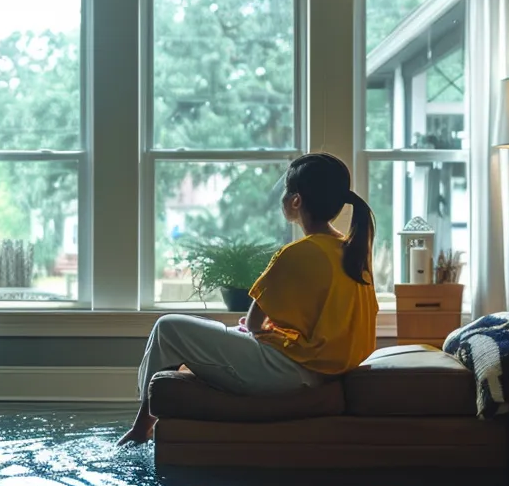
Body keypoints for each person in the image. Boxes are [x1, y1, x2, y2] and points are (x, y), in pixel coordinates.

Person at [118, 152, 380, 445]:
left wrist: (262, 330)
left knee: (168, 328)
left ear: (296, 201)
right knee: (207, 332)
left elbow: (255, 324)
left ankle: (141, 428)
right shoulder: (351, 250)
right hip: (322, 371)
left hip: (290, 375)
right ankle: (146, 423)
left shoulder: (300, 252)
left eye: (286, 190)